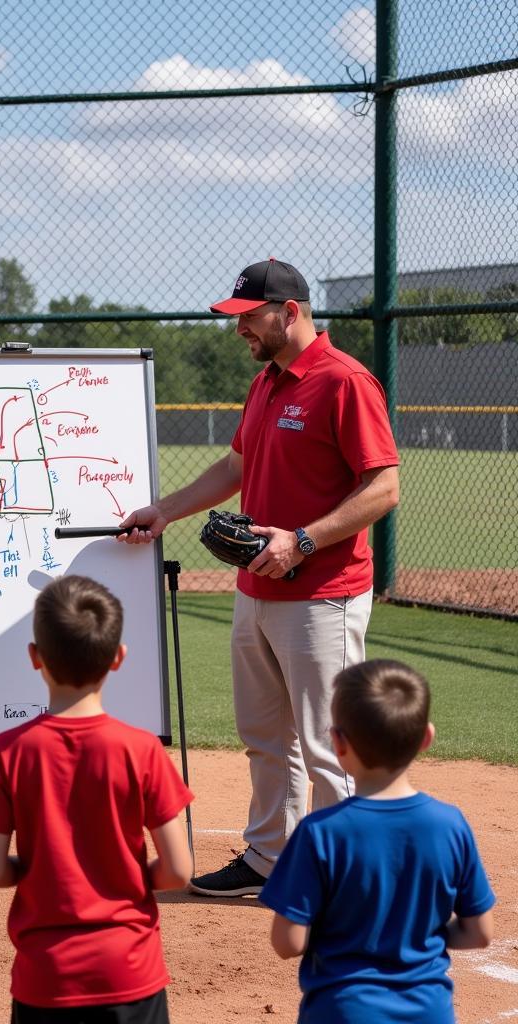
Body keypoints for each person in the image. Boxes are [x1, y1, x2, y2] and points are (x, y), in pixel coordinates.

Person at [120, 259, 400, 896]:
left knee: (331, 743)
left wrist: (303, 539)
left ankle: (347, 879)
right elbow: (234, 469)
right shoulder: (267, 383)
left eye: (248, 318)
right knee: (265, 739)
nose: (239, 329)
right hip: (257, 587)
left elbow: (384, 486)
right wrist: (164, 511)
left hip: (321, 595)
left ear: (291, 313)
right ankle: (270, 857)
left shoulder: (344, 381)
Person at [0, 575, 194, 1023]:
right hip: (129, 971)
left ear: (35, 658)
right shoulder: (141, 750)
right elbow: (178, 870)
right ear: (118, 658)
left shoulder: (9, 751)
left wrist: (46, 874)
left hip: (46, 977)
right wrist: (119, 876)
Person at [261, 658, 495, 1022]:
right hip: (428, 1010)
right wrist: (414, 935)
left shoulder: (320, 831)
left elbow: (288, 942)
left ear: (338, 743)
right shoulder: (450, 824)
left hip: (342, 1009)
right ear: (426, 738)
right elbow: (479, 932)